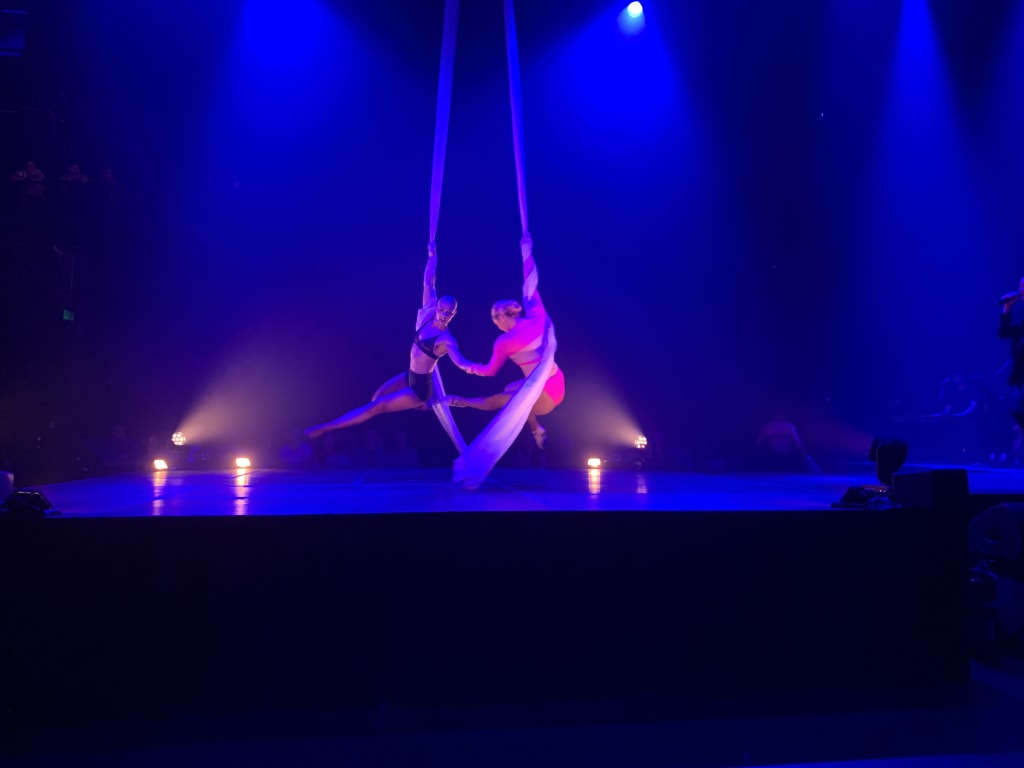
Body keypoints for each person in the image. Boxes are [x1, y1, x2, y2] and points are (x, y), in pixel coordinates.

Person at [305, 243, 471, 439]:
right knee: (376, 398)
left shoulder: (446, 340)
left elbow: (459, 360)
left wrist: (473, 368)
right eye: (442, 310)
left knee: (376, 407)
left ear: (454, 314)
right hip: (409, 376)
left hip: (419, 389)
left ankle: (326, 428)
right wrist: (432, 255)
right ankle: (424, 406)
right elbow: (428, 282)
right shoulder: (427, 316)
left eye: (449, 313)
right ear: (437, 308)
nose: (444, 315)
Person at [445, 233, 564, 449]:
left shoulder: (505, 341)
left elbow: (489, 371)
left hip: (544, 395)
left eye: (494, 319)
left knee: (500, 401)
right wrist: (526, 253)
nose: (496, 324)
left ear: (501, 318)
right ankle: (537, 429)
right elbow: (530, 281)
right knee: (513, 388)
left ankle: (458, 401)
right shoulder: (536, 315)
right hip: (557, 381)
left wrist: (465, 365)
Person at [998, 276, 1024, 434]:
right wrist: (1006, 309)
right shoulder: (1020, 314)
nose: (1021, 290)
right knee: (1013, 406)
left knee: (1018, 405)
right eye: (1020, 286)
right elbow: (1003, 333)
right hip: (1020, 372)